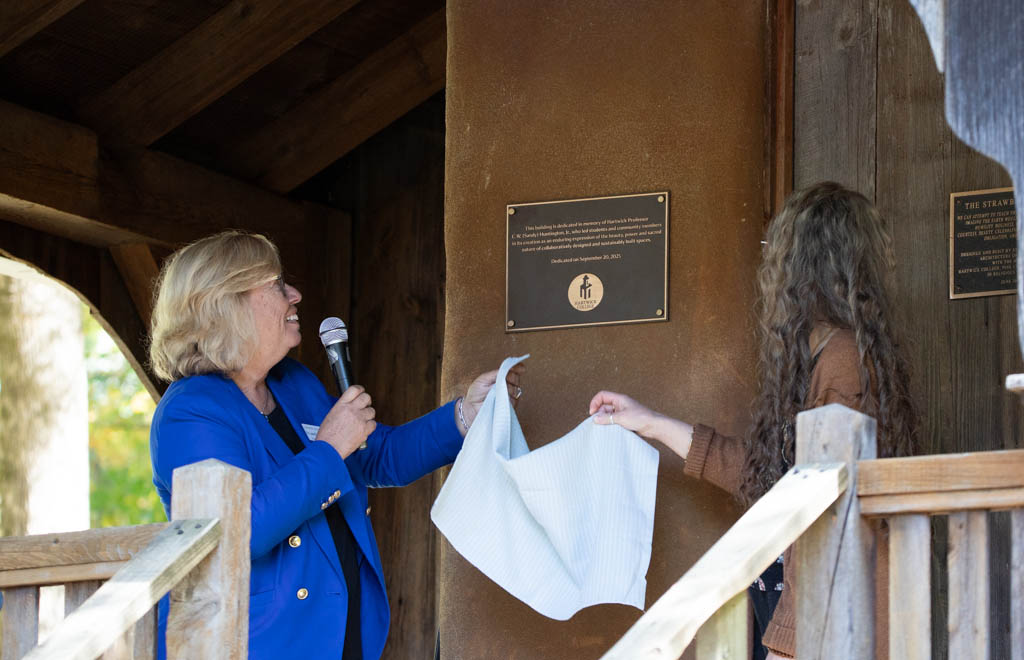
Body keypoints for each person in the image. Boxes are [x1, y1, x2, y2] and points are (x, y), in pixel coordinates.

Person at [148, 230, 522, 659]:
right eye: (275, 284)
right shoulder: (190, 411)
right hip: (259, 644)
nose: (295, 294)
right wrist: (328, 449)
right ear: (226, 303)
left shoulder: (294, 383)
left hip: (339, 637)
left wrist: (463, 416)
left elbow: (376, 455)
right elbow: (236, 532)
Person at [590, 182, 916, 660]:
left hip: (824, 625)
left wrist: (787, 643)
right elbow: (772, 479)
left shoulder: (844, 363)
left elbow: (828, 522)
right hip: (802, 614)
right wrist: (650, 422)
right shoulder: (821, 357)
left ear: (802, 268)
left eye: (776, 251)